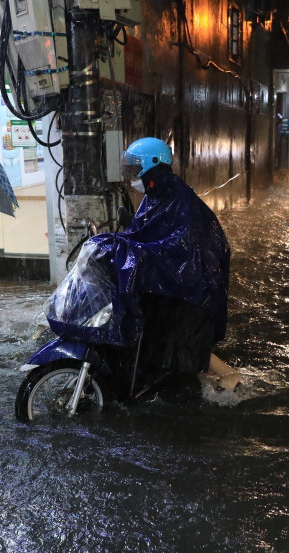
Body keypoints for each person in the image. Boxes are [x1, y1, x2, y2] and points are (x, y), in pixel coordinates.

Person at [119, 137, 243, 391]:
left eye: (135, 168)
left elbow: (179, 244)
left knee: (183, 341)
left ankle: (231, 378)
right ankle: (207, 387)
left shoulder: (178, 197)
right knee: (171, 340)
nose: (131, 175)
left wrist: (138, 250)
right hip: (174, 284)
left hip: (192, 287)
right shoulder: (156, 195)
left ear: (152, 165)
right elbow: (147, 230)